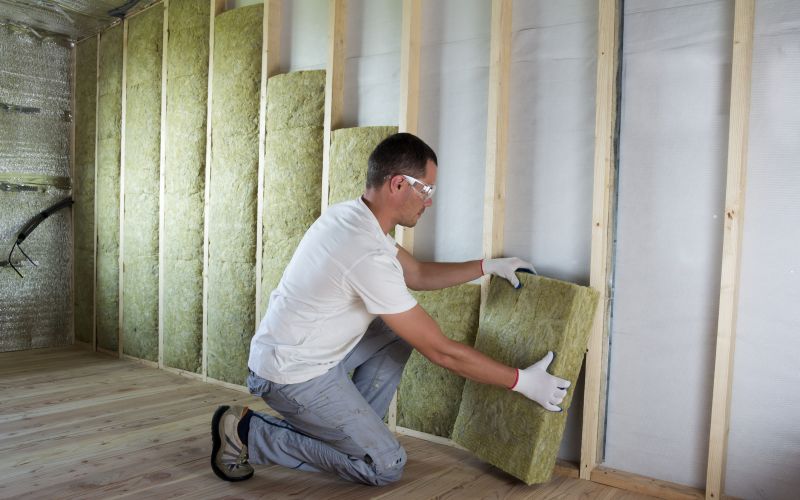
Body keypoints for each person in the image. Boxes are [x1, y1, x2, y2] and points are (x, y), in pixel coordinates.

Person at [210, 133, 570, 485]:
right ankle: (245, 432)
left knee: (393, 334)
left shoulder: (353, 218)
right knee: (385, 466)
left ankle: (355, 435)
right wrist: (522, 382)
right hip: (290, 375)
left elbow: (416, 273)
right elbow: (442, 352)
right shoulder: (363, 250)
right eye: (425, 190)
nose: (428, 201)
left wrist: (486, 266)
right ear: (398, 184)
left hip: (306, 354)